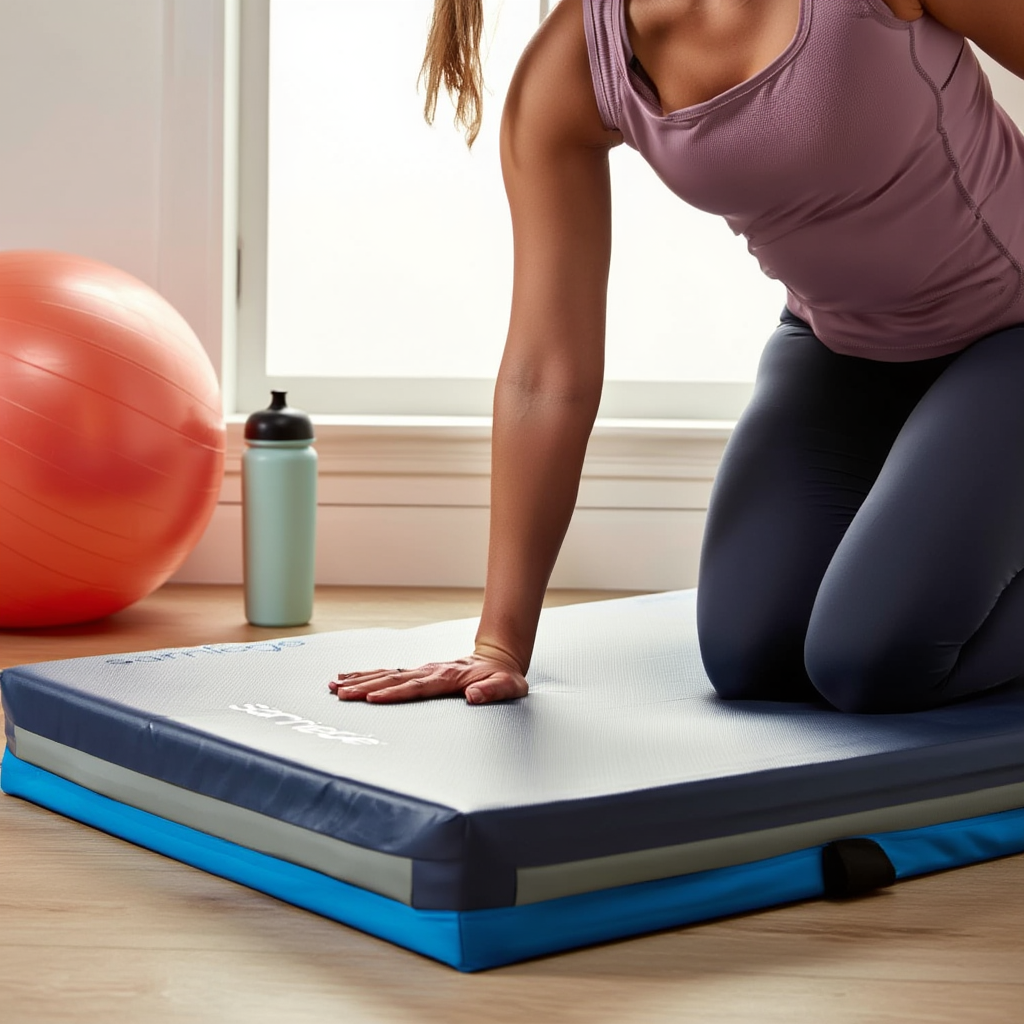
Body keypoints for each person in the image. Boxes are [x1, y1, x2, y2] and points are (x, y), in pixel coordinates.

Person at [330, 0, 1024, 713]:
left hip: (1010, 335)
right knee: (750, 656)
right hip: (837, 350)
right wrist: (499, 645)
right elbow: (545, 372)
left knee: (867, 661)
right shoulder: (571, 68)